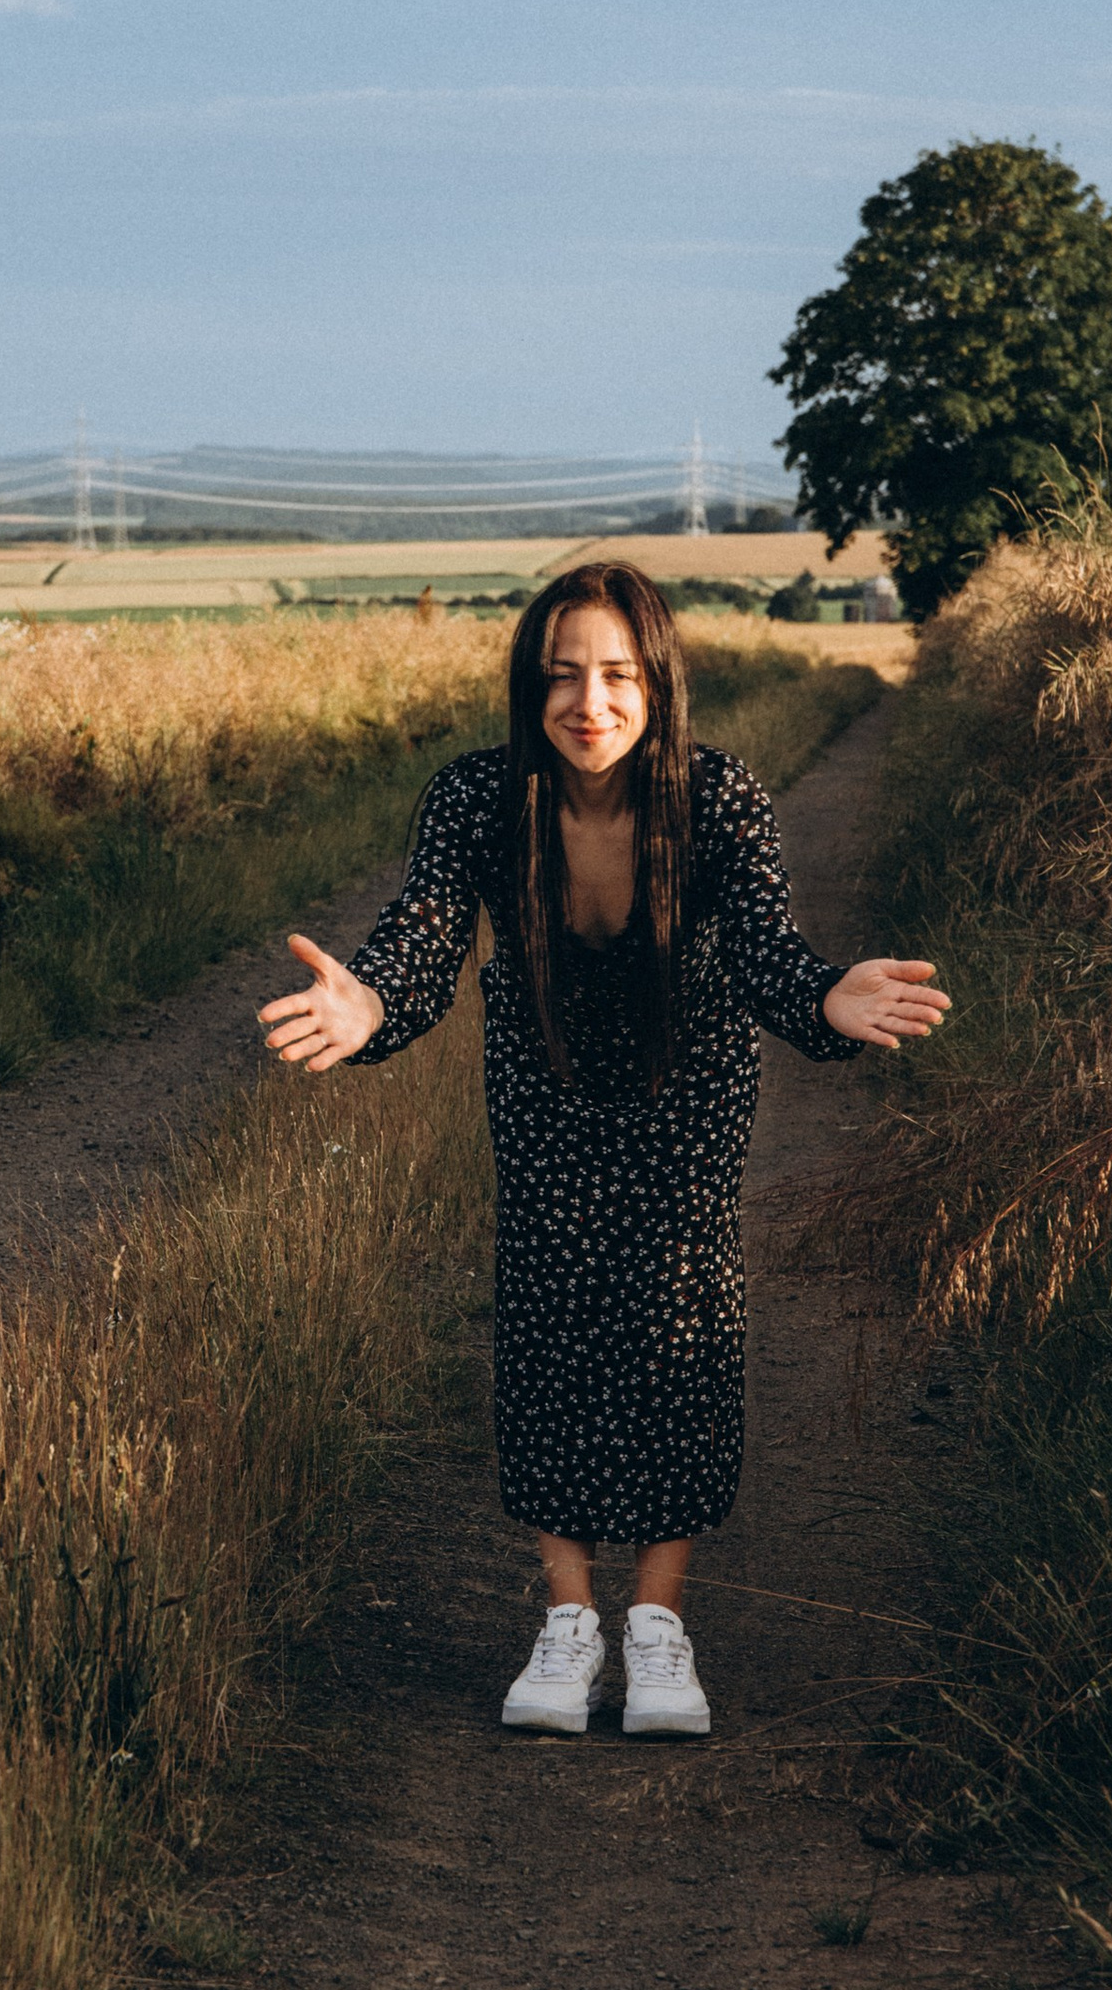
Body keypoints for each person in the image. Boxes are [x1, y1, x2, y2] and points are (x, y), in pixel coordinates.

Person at [256, 563, 949, 1741]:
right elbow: (421, 939)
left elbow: (770, 946)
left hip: (689, 1076)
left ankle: (659, 1622)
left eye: (617, 673)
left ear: (656, 683)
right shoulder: (476, 798)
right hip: (544, 1076)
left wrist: (828, 994)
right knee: (549, 1311)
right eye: (564, 672)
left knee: (679, 1310)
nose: (590, 698)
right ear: (531, 685)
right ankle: (569, 1615)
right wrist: (369, 1006)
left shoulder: (719, 798)